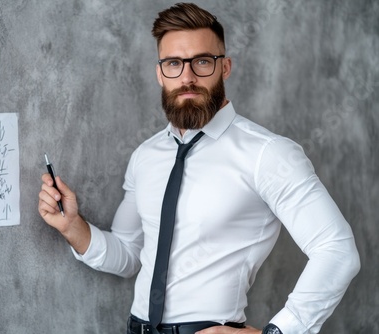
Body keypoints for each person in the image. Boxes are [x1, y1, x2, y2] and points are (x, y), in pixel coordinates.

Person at [38, 3, 360, 334]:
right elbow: (129, 256)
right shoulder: (145, 155)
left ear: (226, 67)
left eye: (202, 62)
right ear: (160, 72)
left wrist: (278, 332)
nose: (187, 77)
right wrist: (72, 226)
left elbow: (336, 250)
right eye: (174, 63)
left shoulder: (269, 153)